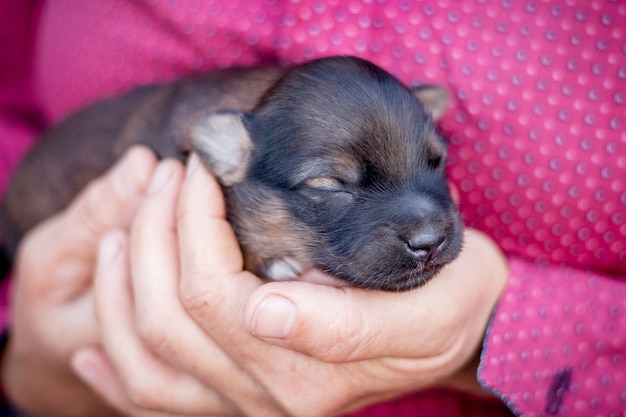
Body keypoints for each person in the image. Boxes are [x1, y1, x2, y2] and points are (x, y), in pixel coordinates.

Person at [0, 1, 624, 416]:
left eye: (432, 162)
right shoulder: (221, 143)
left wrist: (498, 333)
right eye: (331, 185)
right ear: (227, 153)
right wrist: (23, 364)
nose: (431, 228)